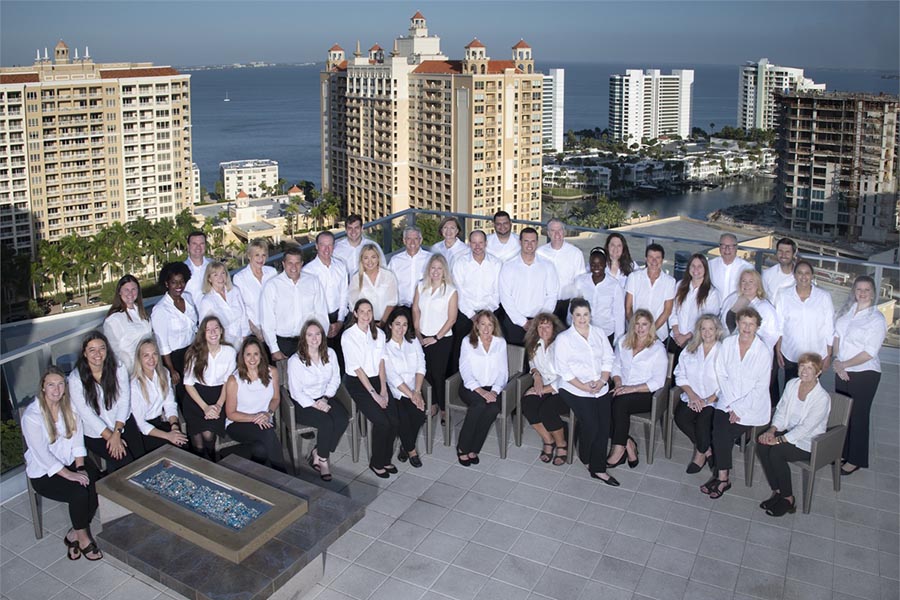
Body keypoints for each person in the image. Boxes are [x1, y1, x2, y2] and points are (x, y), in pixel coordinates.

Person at [24, 367, 102, 561]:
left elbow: (77, 440)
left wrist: (81, 467)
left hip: (71, 462)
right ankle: (84, 538)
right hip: (44, 473)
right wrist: (70, 475)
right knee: (78, 493)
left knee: (96, 484)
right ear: (43, 387)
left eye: (60, 384)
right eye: (51, 385)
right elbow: (42, 456)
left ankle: (73, 534)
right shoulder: (32, 416)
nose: (56, 390)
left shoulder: (70, 407)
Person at [703, 307, 772, 499]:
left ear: (757, 326)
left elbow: (760, 387)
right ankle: (723, 477)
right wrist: (732, 403)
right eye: (743, 323)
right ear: (738, 323)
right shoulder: (728, 343)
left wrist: (739, 408)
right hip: (727, 398)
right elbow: (721, 372)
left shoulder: (763, 352)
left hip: (751, 406)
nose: (747, 327)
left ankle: (721, 477)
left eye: (751, 324)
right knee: (718, 428)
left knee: (722, 434)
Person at [756, 353, 831, 517]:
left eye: (810, 368)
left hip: (809, 441)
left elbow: (806, 428)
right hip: (788, 431)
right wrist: (772, 430)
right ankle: (777, 491)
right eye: (802, 366)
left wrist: (778, 440)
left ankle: (788, 499)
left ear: (818, 373)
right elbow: (782, 410)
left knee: (776, 452)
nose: (804, 371)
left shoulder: (822, 398)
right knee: (762, 445)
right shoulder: (792, 384)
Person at [553, 299, 617, 485]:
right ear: (572, 316)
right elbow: (563, 370)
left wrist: (603, 380)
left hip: (600, 385)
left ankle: (598, 469)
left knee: (603, 426)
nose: (582, 318)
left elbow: (608, 358)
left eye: (586, 314)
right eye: (578, 315)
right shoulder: (564, 339)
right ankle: (585, 455)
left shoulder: (598, 333)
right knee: (592, 425)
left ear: (590, 315)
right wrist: (584, 387)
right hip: (574, 388)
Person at [833, 275, 887, 476]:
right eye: (859, 289)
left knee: (858, 417)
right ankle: (842, 452)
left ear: (873, 293)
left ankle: (855, 460)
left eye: (867, 290)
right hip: (842, 369)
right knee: (842, 415)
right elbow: (837, 336)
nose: (862, 293)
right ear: (854, 291)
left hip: (865, 373)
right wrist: (838, 362)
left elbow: (869, 352)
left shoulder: (876, 319)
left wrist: (843, 365)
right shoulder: (847, 312)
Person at [69, 332, 144, 473]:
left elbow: (124, 400)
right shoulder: (75, 379)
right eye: (92, 350)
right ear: (84, 353)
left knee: (141, 460)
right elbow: (86, 414)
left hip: (122, 423)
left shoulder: (118, 368)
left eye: (102, 348)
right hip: (96, 433)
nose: (98, 353)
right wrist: (111, 437)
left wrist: (117, 432)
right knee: (125, 462)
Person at [287, 319, 350, 481]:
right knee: (326, 423)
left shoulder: (330, 353)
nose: (314, 338)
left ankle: (318, 451)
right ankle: (323, 460)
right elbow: (295, 392)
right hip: (303, 403)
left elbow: (335, 379)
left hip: (325, 397)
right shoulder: (295, 361)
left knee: (342, 418)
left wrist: (325, 398)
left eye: (318, 334)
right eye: (310, 335)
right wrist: (315, 404)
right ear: (304, 337)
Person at [607, 309, 669, 470]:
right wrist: (619, 384)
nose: (640, 328)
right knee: (600, 403)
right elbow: (616, 366)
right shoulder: (623, 342)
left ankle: (618, 449)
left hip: (646, 394)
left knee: (619, 404)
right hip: (622, 388)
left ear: (651, 327)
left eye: (644, 324)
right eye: (637, 324)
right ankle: (628, 443)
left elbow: (658, 381)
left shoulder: (657, 349)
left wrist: (631, 389)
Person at [342, 299, 397, 478]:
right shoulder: (348, 336)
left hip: (376, 380)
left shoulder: (379, 334)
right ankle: (376, 462)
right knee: (382, 422)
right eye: (362, 312)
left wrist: (383, 389)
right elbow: (357, 369)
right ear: (356, 314)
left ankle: (386, 459)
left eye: (369, 312)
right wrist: (375, 395)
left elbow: (381, 362)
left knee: (394, 419)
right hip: (357, 382)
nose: (366, 315)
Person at [224, 337, 286, 472]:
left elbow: (276, 398)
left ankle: (252, 475)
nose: (252, 359)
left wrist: (267, 413)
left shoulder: (272, 372)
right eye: (248, 354)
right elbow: (231, 414)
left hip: (265, 418)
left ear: (261, 356)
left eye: (256, 354)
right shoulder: (234, 380)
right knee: (267, 432)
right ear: (242, 356)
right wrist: (255, 418)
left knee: (261, 450)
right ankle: (283, 475)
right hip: (239, 423)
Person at [456, 310, 509, 466]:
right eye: (483, 324)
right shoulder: (467, 341)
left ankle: (474, 448)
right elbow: (464, 370)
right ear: (476, 325)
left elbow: (503, 371)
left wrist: (494, 390)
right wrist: (480, 391)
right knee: (478, 405)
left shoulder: (500, 343)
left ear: (494, 326)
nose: (486, 328)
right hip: (471, 387)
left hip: (492, 388)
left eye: (490, 324)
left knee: (493, 409)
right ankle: (463, 447)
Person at [673, 315, 724, 474]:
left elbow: (727, 382)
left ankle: (700, 455)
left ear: (717, 330)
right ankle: (707, 449)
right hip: (692, 396)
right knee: (681, 418)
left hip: (715, 399)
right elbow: (680, 375)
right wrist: (693, 396)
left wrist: (708, 400)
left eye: (711, 328)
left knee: (703, 423)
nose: (707, 332)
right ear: (699, 331)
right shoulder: (690, 349)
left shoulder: (724, 351)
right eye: (704, 329)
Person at [260, 247, 328, 362]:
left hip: (309, 341)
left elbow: (321, 314)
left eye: (297, 263)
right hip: (283, 344)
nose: (293, 267)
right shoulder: (272, 286)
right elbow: (267, 320)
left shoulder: (313, 282)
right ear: (283, 263)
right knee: (285, 379)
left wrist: (321, 343)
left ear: (302, 264)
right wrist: (274, 349)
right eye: (290, 263)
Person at [183, 316, 236, 461]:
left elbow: (227, 382)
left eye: (216, 328)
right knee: (198, 442)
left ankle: (212, 459)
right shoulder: (193, 353)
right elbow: (188, 384)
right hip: (196, 398)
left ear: (221, 331)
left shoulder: (230, 352)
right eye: (208, 330)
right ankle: (200, 462)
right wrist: (205, 407)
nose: (213, 332)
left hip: (219, 396)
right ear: (203, 333)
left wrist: (218, 405)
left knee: (208, 434)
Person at [413, 254, 458, 424]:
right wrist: (417, 331)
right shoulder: (421, 286)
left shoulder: (451, 291)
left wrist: (436, 338)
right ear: (428, 269)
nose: (436, 271)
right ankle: (432, 404)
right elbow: (416, 309)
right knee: (426, 372)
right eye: (433, 268)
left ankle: (445, 409)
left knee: (438, 374)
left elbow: (452, 319)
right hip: (422, 335)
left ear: (444, 270)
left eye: (439, 268)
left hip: (442, 339)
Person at [451, 229, 502, 372]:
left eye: (481, 243)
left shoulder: (496, 264)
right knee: (460, 350)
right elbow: (458, 291)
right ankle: (457, 383)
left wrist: (485, 315)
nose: (477, 246)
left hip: (490, 313)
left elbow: (498, 292)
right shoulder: (460, 263)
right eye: (474, 243)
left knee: (489, 348)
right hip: (466, 313)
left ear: (486, 243)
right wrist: (472, 315)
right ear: (469, 244)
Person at [498, 227, 559, 346]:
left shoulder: (548, 266)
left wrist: (540, 320)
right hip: (514, 323)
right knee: (515, 360)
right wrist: (523, 322)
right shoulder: (508, 266)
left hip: (540, 324)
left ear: (537, 242)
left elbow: (552, 295)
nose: (529, 245)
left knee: (537, 361)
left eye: (533, 241)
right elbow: (505, 297)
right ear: (520, 242)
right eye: (526, 241)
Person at [775, 260, 834, 384]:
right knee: (791, 391)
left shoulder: (824, 297)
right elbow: (779, 325)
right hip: (791, 353)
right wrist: (778, 349)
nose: (803, 276)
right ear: (794, 275)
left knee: (811, 392)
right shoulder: (783, 295)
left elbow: (829, 327)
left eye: (807, 273)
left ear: (812, 275)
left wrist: (828, 355)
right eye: (800, 273)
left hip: (816, 355)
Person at [383, 307, 427, 468]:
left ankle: (405, 446)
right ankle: (411, 451)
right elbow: (392, 376)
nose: (401, 328)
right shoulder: (385, 346)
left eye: (405, 325)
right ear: (390, 325)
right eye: (397, 324)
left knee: (419, 414)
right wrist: (413, 395)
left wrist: (417, 391)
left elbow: (421, 366)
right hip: (394, 392)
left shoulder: (413, 341)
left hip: (413, 388)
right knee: (402, 418)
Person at [521, 312, 568, 465]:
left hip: (564, 389)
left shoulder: (563, 345)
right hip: (543, 384)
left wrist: (546, 389)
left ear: (554, 328)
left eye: (547, 326)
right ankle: (548, 440)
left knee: (547, 410)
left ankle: (561, 444)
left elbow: (568, 375)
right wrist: (536, 376)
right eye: (540, 327)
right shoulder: (534, 343)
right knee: (528, 404)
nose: (544, 330)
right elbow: (532, 363)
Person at [151, 262, 198, 407]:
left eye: (182, 281)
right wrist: (171, 369)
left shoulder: (189, 298)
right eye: (174, 282)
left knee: (199, 390)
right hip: (176, 359)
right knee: (186, 397)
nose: (179, 285)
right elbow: (162, 344)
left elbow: (195, 327)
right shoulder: (160, 309)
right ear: (166, 283)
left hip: (193, 352)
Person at [129, 338, 188, 452]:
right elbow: (140, 423)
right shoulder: (134, 384)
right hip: (144, 432)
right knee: (170, 451)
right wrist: (168, 436)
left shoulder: (164, 373)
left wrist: (174, 425)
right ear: (139, 358)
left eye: (154, 354)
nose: (151, 359)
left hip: (161, 422)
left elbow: (170, 403)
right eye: (146, 355)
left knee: (183, 446)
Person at [303, 231, 351, 369]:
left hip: (339, 318)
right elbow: (309, 303)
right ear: (316, 246)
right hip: (317, 320)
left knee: (342, 357)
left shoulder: (341, 266)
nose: (326, 249)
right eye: (323, 245)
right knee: (321, 358)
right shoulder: (308, 271)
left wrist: (340, 321)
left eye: (330, 245)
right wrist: (325, 323)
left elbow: (344, 295)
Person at [668, 253, 722, 363]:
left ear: (705, 269)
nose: (695, 269)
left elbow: (706, 322)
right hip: (676, 339)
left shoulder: (712, 294)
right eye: (693, 266)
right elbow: (672, 311)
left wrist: (687, 336)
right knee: (674, 376)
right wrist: (677, 334)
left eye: (699, 266)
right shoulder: (680, 286)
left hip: (697, 342)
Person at [536, 218, 587, 323]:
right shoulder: (539, 253)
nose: (557, 234)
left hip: (567, 304)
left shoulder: (575, 253)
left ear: (564, 232)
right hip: (545, 302)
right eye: (553, 231)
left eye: (559, 230)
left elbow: (580, 281)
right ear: (548, 233)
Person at [572, 247, 625, 345]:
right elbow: (573, 308)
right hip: (583, 332)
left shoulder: (615, 285)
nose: (596, 267)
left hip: (606, 333)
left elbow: (619, 314)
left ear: (605, 265)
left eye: (600, 264)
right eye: (593, 264)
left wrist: (618, 340)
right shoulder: (580, 281)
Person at [625, 243, 676, 342]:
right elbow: (628, 307)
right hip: (635, 333)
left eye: (657, 257)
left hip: (658, 334)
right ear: (646, 258)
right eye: (651, 257)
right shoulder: (634, 277)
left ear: (662, 260)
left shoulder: (670, 281)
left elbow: (667, 311)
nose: (654, 261)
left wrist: (651, 332)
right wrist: (636, 329)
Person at [719, 268, 781, 349]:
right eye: (744, 281)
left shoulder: (765, 308)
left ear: (758, 285)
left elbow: (772, 336)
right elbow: (721, 323)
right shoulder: (731, 298)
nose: (747, 285)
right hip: (727, 349)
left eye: (751, 282)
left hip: (753, 354)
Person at [103, 274, 152, 373]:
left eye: (134, 289)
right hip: (131, 371)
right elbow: (114, 352)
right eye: (126, 289)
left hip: (148, 366)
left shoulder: (141, 312)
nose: (130, 293)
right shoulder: (114, 319)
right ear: (119, 292)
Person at [232, 240, 277, 339]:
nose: (261, 259)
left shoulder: (272, 273)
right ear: (249, 256)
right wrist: (256, 331)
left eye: (264, 255)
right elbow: (240, 310)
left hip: (275, 330)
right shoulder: (239, 278)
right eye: (257, 255)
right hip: (254, 334)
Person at [198, 261, 249, 347]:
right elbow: (204, 328)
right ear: (209, 279)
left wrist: (245, 337)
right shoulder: (206, 301)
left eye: (223, 273)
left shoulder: (235, 291)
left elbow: (244, 315)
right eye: (215, 275)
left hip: (242, 341)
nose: (220, 278)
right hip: (223, 345)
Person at [348, 244, 399, 326]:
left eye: (373, 257)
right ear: (361, 260)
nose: (370, 261)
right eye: (366, 258)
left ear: (378, 258)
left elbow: (392, 302)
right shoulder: (356, 278)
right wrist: (366, 324)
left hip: (385, 323)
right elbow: (353, 304)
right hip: (363, 324)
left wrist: (382, 323)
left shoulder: (389, 276)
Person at [389, 226, 432, 308]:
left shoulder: (430, 259)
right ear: (404, 241)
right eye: (409, 239)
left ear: (421, 240)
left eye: (416, 239)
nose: (412, 242)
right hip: (402, 308)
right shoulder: (395, 261)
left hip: (424, 307)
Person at [708, 233, 752, 298]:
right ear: (719, 247)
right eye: (723, 246)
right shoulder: (710, 265)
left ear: (736, 247)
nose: (727, 249)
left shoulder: (747, 268)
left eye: (731, 246)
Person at [762, 237, 797, 304]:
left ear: (794, 254)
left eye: (787, 252)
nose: (783, 255)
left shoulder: (802, 277)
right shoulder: (767, 274)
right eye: (780, 251)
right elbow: (763, 299)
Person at [183, 230, 212, 305]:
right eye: (194, 244)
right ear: (188, 246)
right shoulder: (181, 270)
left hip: (215, 314)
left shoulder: (213, 266)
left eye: (201, 244)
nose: (198, 247)